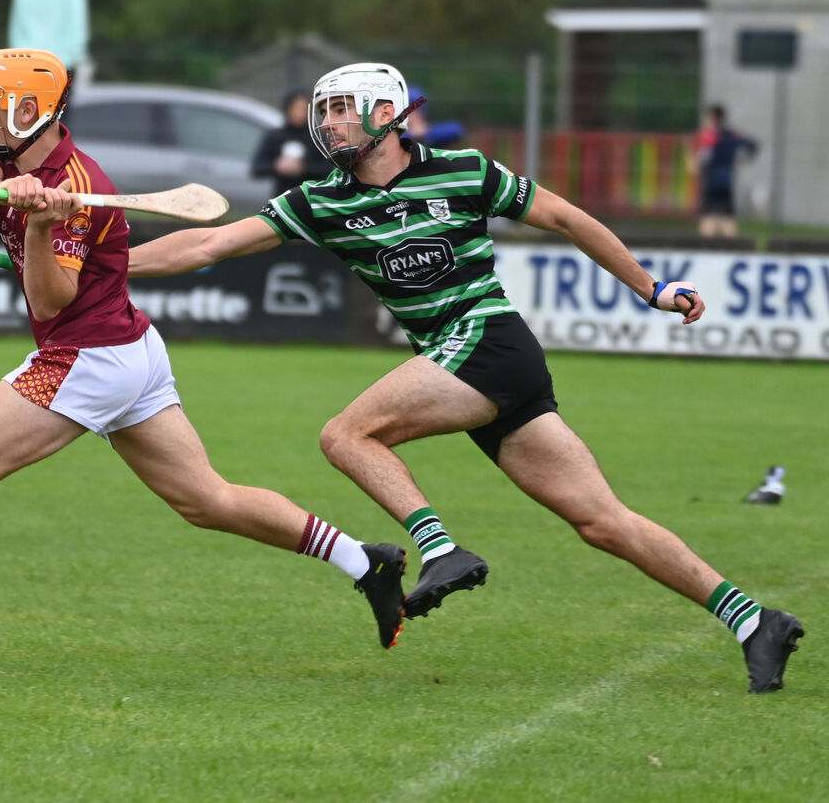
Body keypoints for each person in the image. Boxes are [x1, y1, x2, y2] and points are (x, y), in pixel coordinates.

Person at [126, 61, 805, 694]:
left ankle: (439, 547)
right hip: (465, 363)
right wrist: (111, 265)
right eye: (323, 112)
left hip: (491, 341)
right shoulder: (320, 200)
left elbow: (565, 218)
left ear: (385, 113)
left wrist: (651, 288)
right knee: (603, 522)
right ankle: (755, 621)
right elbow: (208, 243)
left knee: (347, 435)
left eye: (341, 109)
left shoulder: (464, 169)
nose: (326, 123)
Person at [0, 49, 407, 666]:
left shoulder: (77, 186)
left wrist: (41, 226)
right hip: (130, 352)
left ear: (27, 109)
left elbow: (50, 303)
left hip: (86, 357)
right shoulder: (17, 156)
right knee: (208, 500)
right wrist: (6, 188)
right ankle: (367, 563)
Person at [250, 89, 333, 198]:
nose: (299, 113)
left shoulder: (318, 137)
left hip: (312, 198)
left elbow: (328, 169)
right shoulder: (275, 136)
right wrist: (276, 166)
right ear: (287, 109)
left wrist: (303, 168)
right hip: (282, 198)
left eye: (303, 109)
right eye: (295, 108)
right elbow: (257, 168)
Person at [694, 103, 758, 238]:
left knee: (708, 215)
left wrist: (694, 164)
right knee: (728, 216)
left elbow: (704, 158)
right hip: (727, 180)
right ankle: (731, 248)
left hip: (712, 180)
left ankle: (705, 248)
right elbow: (753, 145)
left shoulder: (709, 136)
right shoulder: (732, 135)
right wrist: (742, 161)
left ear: (714, 117)